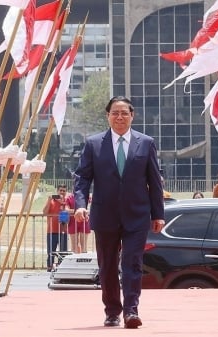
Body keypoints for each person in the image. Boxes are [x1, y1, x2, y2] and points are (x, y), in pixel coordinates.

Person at [73, 96, 165, 329]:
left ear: (132, 116)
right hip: (105, 215)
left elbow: (155, 182)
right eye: (115, 113)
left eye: (124, 113)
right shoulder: (94, 144)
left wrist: (158, 214)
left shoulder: (145, 143)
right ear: (108, 116)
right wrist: (80, 204)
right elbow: (83, 177)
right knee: (108, 265)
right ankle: (112, 310)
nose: (120, 117)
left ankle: (131, 310)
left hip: (137, 215)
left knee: (132, 262)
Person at [43, 184, 70, 271]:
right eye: (60, 190)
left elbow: (69, 212)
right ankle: (49, 266)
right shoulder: (51, 201)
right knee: (51, 251)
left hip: (63, 231)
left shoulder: (66, 202)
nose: (62, 192)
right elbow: (45, 212)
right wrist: (49, 200)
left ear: (66, 192)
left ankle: (61, 267)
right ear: (57, 191)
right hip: (51, 231)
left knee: (63, 252)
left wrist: (63, 203)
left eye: (64, 191)